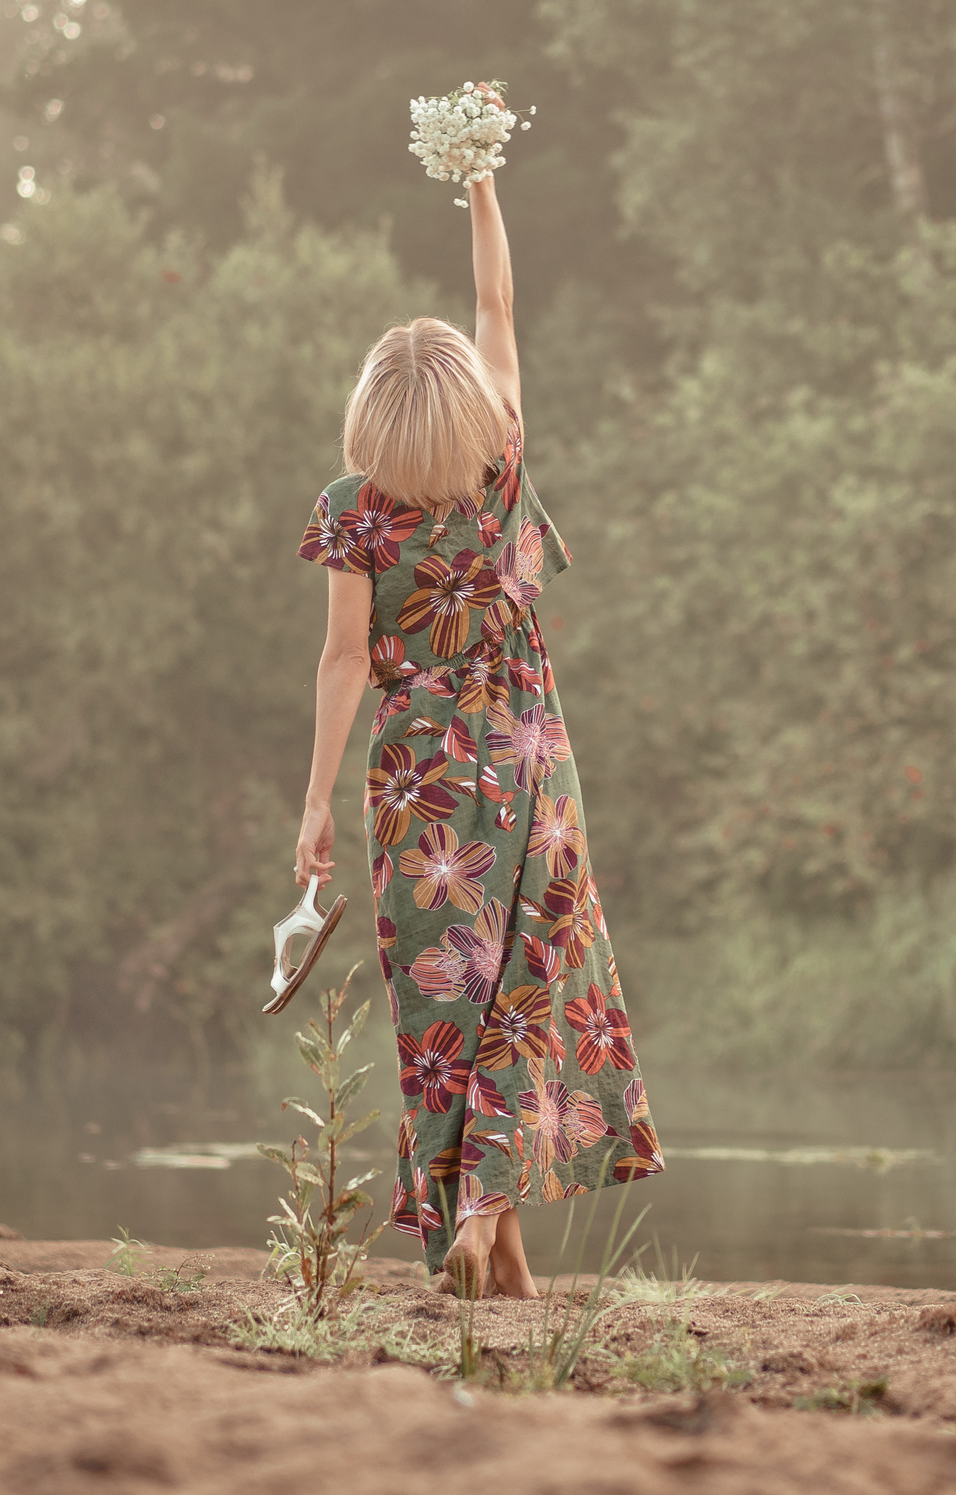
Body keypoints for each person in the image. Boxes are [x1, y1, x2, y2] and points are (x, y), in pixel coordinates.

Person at [288, 108, 661, 1298]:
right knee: (534, 976)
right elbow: (497, 307)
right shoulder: (496, 448)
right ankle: (492, 1224)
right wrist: (479, 181)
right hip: (527, 761)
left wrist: (312, 812)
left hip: (417, 781)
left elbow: (343, 662)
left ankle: (471, 1216)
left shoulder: (356, 503)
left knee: (445, 1002)